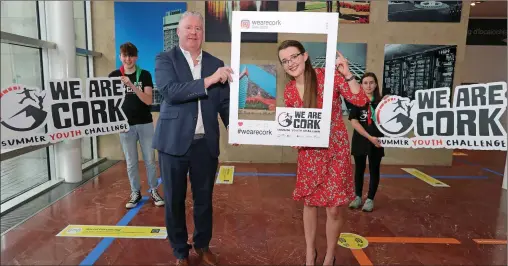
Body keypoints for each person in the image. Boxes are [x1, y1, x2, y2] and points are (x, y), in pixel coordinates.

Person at [278, 40, 369, 266]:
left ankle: (330, 255)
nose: (290, 63)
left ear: (305, 55)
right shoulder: (289, 90)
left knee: (334, 209)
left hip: (335, 150)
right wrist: (290, 136)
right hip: (309, 154)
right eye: (285, 61)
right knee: (309, 204)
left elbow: (360, 100)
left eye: (294, 57)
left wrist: (347, 74)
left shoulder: (328, 77)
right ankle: (311, 253)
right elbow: (293, 125)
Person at [152, 11, 233, 266]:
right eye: (188, 28)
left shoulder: (215, 61)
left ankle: (202, 245)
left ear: (203, 34)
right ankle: (180, 251)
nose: (193, 32)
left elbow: (224, 103)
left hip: (204, 144)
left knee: (204, 200)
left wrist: (237, 128)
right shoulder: (165, 59)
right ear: (178, 32)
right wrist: (209, 80)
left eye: (198, 28)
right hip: (173, 143)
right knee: (174, 200)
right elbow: (171, 92)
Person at [108, 42, 164, 209]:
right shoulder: (113, 75)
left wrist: (131, 85)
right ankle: (135, 192)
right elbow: (107, 103)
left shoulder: (144, 74)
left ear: (136, 57)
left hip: (145, 123)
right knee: (131, 162)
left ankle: (153, 190)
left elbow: (148, 100)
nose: (128, 59)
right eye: (125, 55)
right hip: (125, 126)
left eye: (131, 55)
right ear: (120, 57)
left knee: (150, 160)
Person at [348, 72, 384, 212]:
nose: (368, 85)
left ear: (375, 84)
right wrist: (369, 137)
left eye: (371, 82)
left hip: (377, 141)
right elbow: (354, 122)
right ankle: (357, 197)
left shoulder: (382, 102)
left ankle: (370, 199)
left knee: (374, 170)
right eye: (365, 83)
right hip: (361, 140)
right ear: (361, 85)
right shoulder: (357, 101)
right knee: (359, 169)